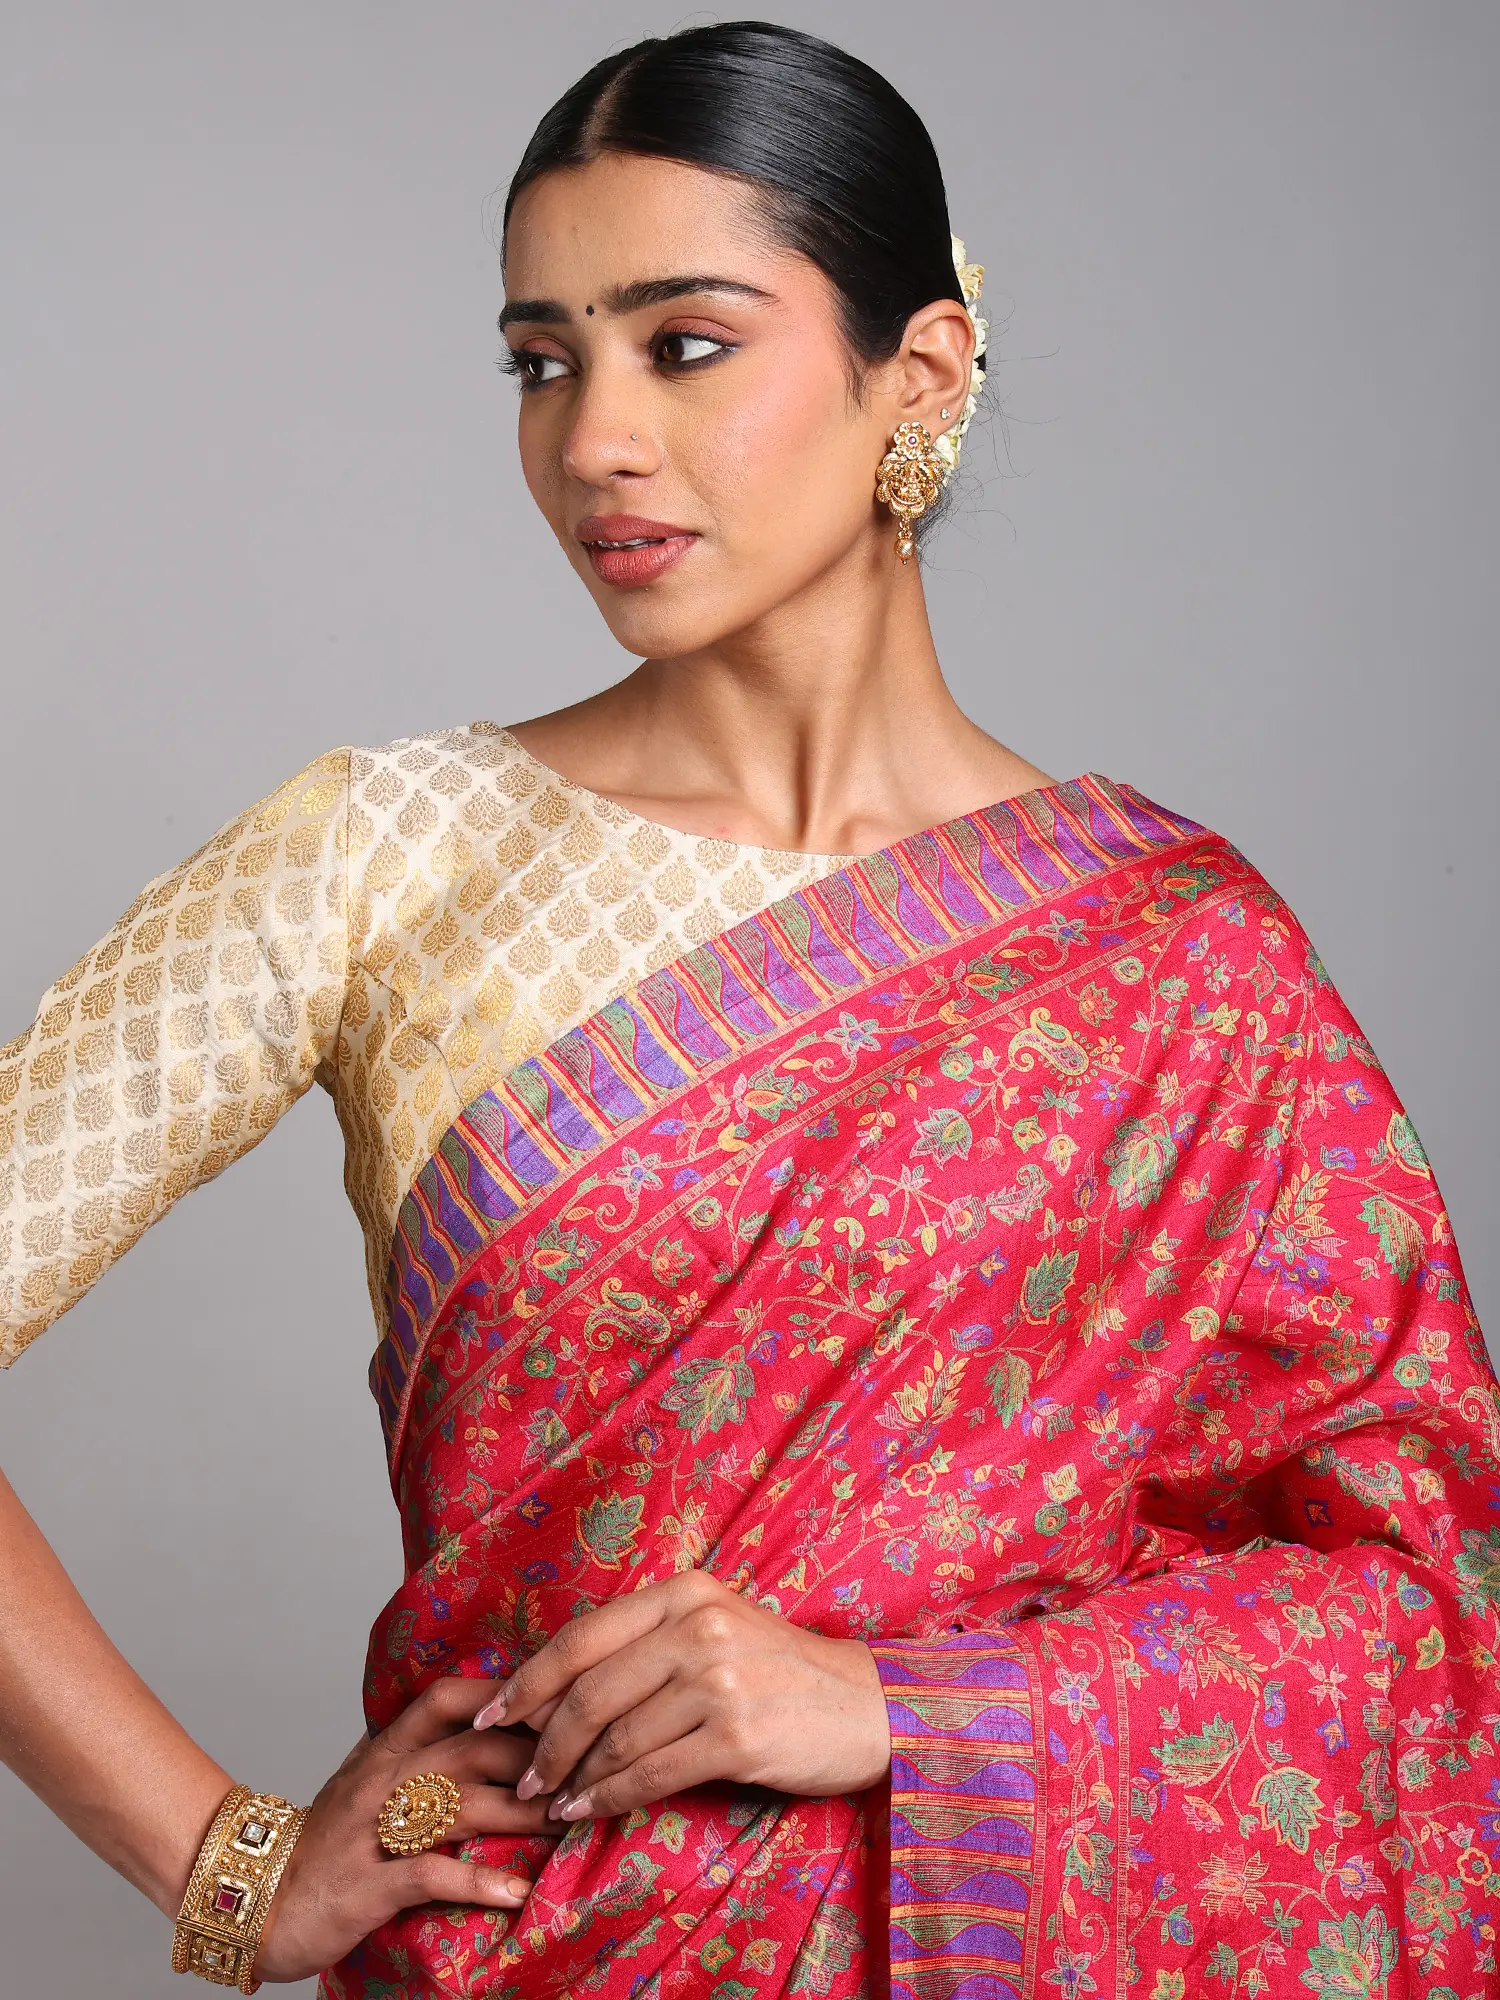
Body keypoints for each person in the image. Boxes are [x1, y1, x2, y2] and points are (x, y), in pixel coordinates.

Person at [2, 20, 1495, 2000]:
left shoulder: (1184, 958)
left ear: (922, 372)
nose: (594, 440)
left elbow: (1423, 1599)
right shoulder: (384, 860)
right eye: (544, 362)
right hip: (545, 1954)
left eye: (685, 344)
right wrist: (226, 1862)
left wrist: (899, 1709)